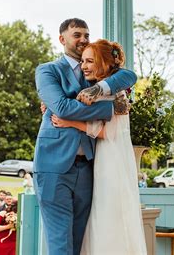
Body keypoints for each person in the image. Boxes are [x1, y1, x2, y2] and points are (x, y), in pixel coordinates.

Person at [34, 18, 137, 255]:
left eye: (86, 35)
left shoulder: (95, 73)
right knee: (60, 241)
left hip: (89, 168)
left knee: (81, 240)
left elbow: (129, 75)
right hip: (53, 167)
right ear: (62, 39)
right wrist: (109, 109)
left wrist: (100, 89)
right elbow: (61, 107)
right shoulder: (48, 70)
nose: (83, 39)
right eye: (77, 34)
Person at [51, 39, 146, 254]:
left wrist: (70, 122)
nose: (84, 66)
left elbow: (108, 132)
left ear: (104, 62)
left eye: (90, 61)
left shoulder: (112, 90)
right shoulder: (101, 87)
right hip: (105, 158)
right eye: (83, 61)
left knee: (107, 216)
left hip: (111, 160)